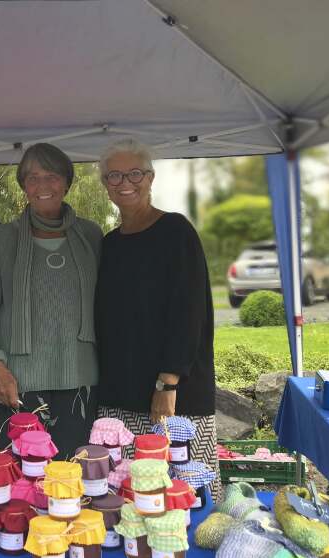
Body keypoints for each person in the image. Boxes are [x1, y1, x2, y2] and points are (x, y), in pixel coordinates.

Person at [93, 138, 220, 499]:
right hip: (120, 394)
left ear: (150, 178)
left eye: (134, 173)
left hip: (172, 395)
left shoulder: (175, 231)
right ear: (105, 185)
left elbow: (189, 312)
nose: (124, 182)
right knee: (129, 496)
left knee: (182, 495)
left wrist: (168, 384)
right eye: (114, 176)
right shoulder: (109, 243)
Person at [0, 143, 102, 460]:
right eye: (32, 177)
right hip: (16, 383)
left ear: (67, 183)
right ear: (24, 186)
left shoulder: (91, 236)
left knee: (73, 483)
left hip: (80, 380)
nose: (42, 186)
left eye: (52, 176)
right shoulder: (4, 238)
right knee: (19, 482)